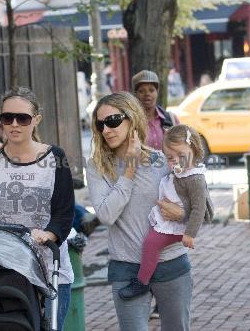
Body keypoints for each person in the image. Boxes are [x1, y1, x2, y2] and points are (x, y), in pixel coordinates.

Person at [0, 86, 75, 331]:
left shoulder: (55, 158)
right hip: (4, 269)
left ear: (36, 120)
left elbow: (64, 213)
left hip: (50, 269)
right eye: (7, 118)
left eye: (23, 118)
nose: (14, 124)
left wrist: (48, 234)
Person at [86, 91, 193, 331]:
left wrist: (181, 213)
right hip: (126, 267)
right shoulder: (97, 166)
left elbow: (198, 209)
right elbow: (106, 215)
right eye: (100, 124)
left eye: (113, 121)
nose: (106, 130)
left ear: (132, 119)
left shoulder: (162, 161)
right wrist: (130, 169)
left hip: (170, 263)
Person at [119, 124, 214, 299]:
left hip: (180, 227)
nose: (176, 161)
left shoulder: (195, 178)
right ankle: (149, 276)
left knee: (151, 243)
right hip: (168, 218)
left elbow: (199, 208)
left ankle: (142, 282)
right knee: (147, 240)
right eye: (170, 158)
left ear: (194, 150)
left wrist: (190, 234)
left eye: (181, 156)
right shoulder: (181, 171)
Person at [132, 70, 180, 150]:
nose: (147, 94)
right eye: (141, 91)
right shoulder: (131, 122)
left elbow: (181, 148)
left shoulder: (171, 119)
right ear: (135, 94)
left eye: (151, 90)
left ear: (157, 92)